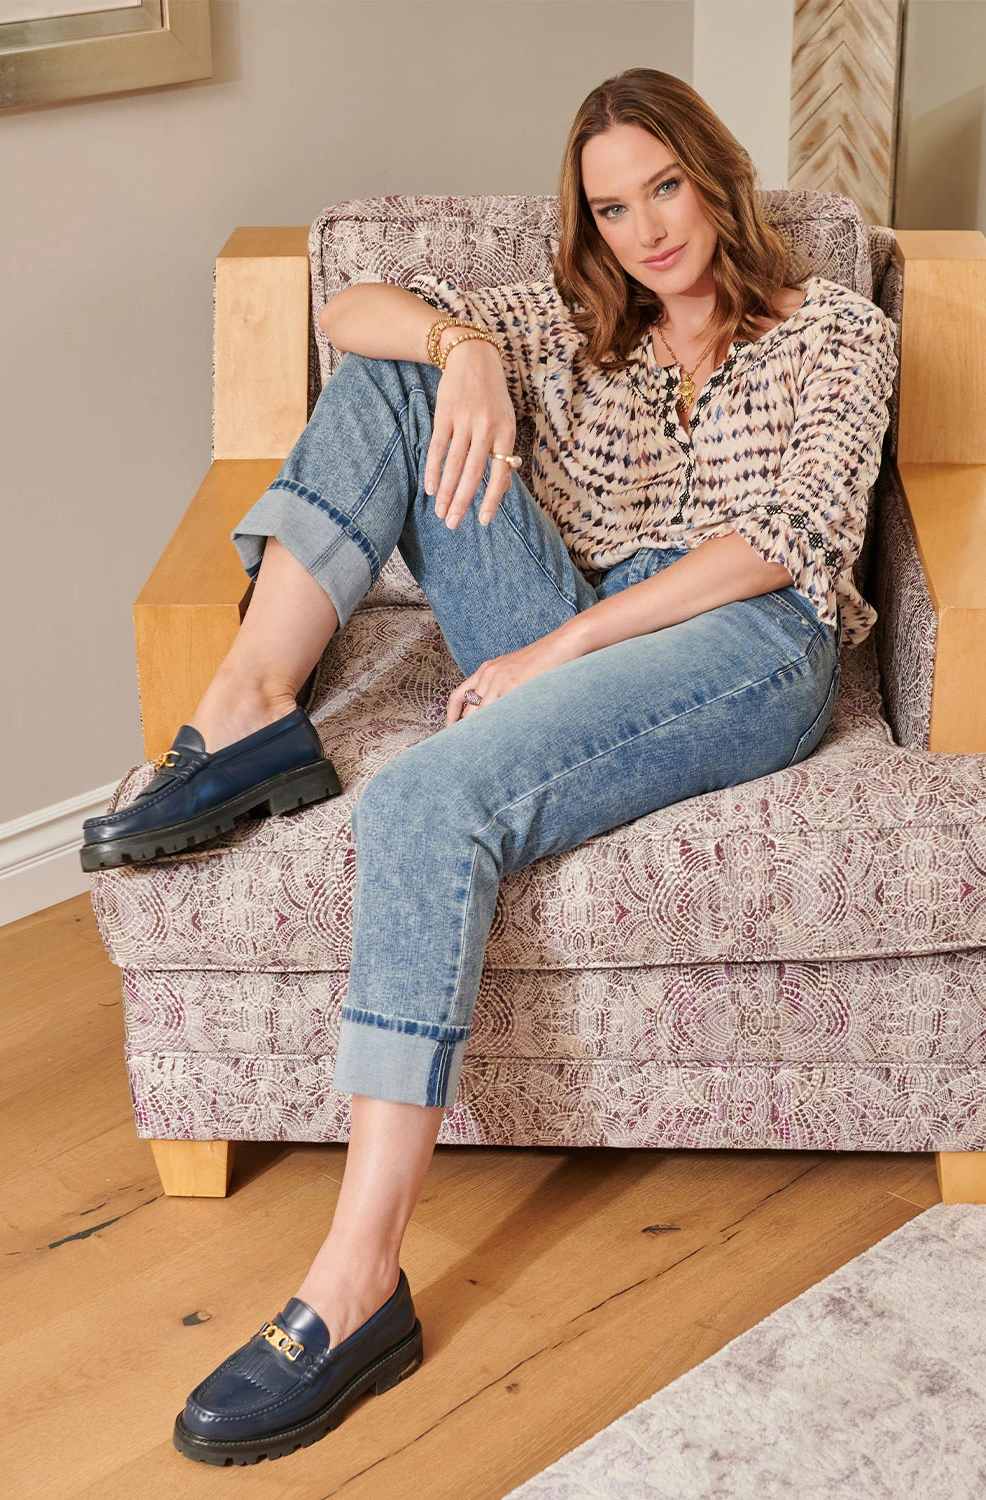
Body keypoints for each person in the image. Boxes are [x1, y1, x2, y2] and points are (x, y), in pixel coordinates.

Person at [80, 67, 897, 1466]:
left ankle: (356, 1284)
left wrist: (557, 651)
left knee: (425, 796)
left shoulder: (835, 330)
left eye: (666, 189)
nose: (648, 230)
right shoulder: (577, 323)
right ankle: (250, 708)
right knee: (399, 375)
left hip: (747, 637)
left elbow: (783, 542)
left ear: (715, 177)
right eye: (613, 208)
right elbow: (350, 314)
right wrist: (462, 346)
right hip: (571, 601)